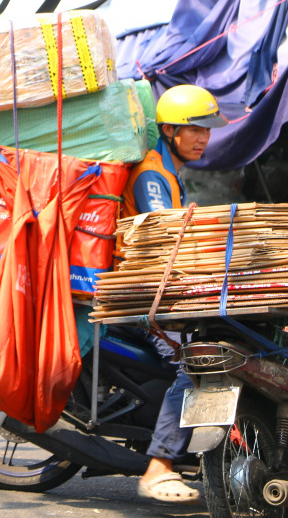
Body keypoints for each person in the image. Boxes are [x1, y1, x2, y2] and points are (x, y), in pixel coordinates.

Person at [124, 85, 228, 504]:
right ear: (169, 130)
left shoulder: (170, 174)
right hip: (139, 297)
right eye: (195, 129)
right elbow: (165, 241)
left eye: (207, 129)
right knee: (197, 363)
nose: (204, 137)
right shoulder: (152, 174)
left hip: (160, 291)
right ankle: (158, 466)